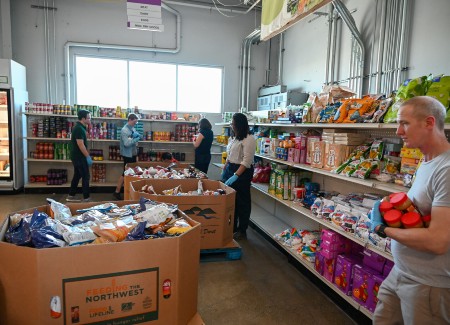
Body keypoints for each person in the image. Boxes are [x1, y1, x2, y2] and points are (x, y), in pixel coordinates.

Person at [369, 96, 450, 324]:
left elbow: (437, 241)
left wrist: (382, 229)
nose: (398, 131)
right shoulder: (426, 162)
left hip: (429, 286)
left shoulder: (446, 170)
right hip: (402, 272)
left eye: (404, 123)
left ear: (429, 122)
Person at [221, 113, 256, 240]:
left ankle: (242, 230)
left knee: (242, 202)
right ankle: (232, 227)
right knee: (231, 200)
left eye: (233, 123)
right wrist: (225, 168)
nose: (232, 125)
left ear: (239, 124)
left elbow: (246, 161)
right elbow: (229, 155)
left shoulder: (249, 139)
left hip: (242, 172)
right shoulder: (234, 138)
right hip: (231, 169)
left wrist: (236, 175)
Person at [67, 109, 93, 202]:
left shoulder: (80, 127)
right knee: (86, 176)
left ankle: (71, 195)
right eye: (89, 118)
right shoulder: (78, 128)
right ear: (83, 118)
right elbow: (80, 145)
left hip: (77, 156)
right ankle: (86, 197)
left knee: (77, 175)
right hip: (79, 157)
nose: (90, 119)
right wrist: (87, 156)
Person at [113, 113, 141, 200]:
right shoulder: (124, 130)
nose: (135, 124)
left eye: (136, 122)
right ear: (129, 120)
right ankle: (117, 191)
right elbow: (126, 143)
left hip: (132, 153)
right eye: (134, 122)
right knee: (126, 173)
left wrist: (135, 136)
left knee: (129, 173)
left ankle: (126, 191)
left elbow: (132, 139)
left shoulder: (132, 128)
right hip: (127, 154)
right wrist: (135, 139)